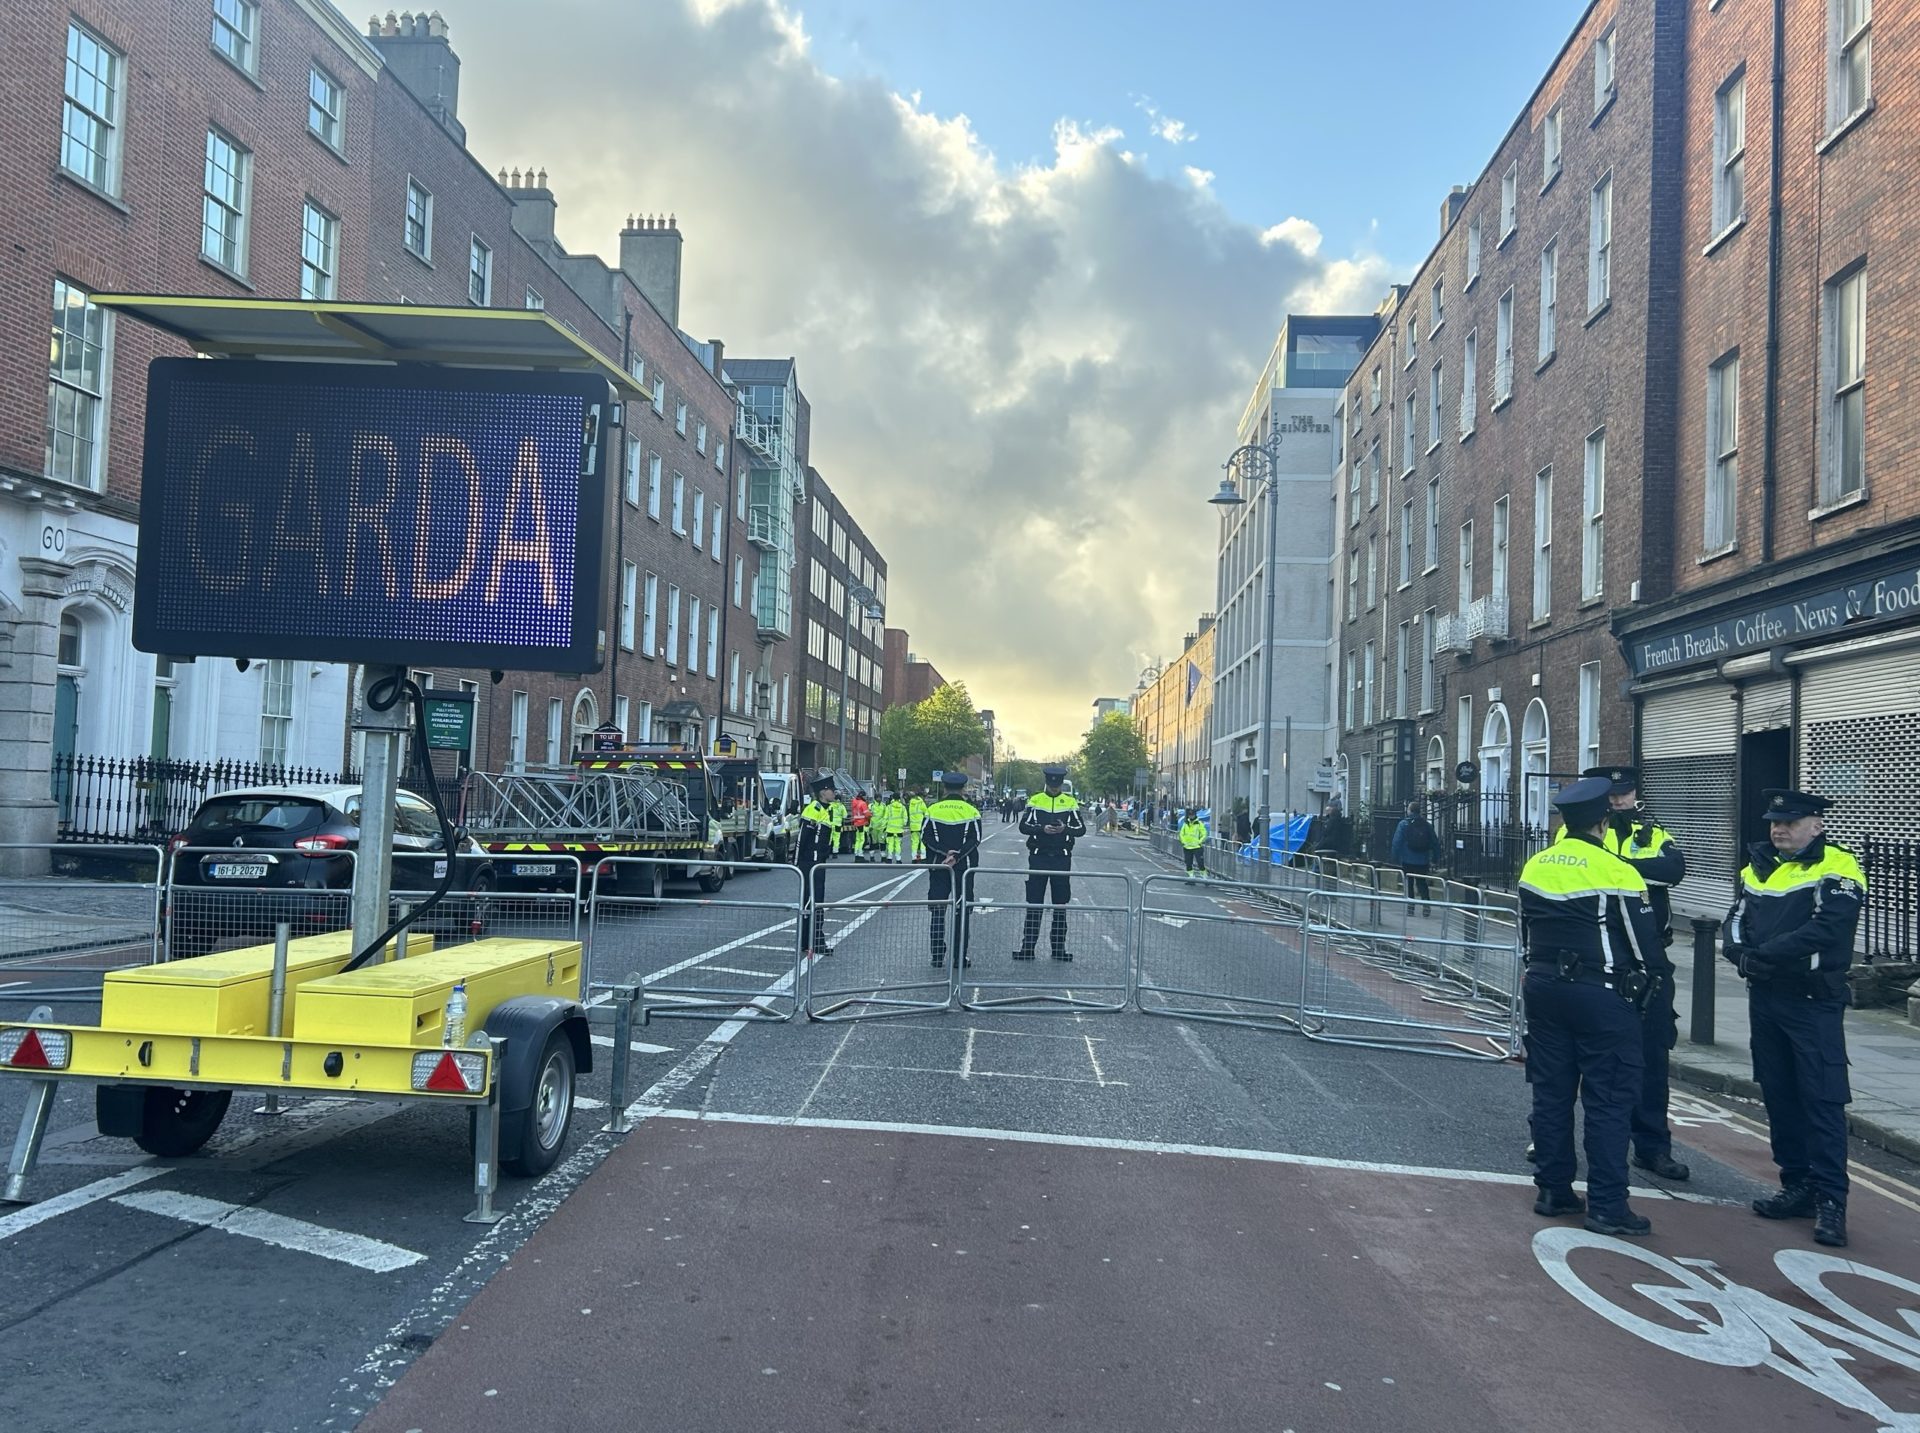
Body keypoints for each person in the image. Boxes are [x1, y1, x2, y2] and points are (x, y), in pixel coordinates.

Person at [1519, 775, 1663, 1238]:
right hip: (1600, 994)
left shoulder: (1536, 865)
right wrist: (1650, 983)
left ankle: (1553, 1189)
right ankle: (1606, 1205)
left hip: (1542, 987)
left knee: (1552, 1093)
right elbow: (1645, 949)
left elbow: (1526, 930)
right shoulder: (1617, 870)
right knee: (1608, 1099)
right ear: (1604, 820)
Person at [1724, 789, 1866, 1249]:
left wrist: (1764, 955)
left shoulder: (1838, 866)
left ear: (1817, 825)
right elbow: (1735, 920)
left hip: (1812, 1002)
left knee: (1821, 1099)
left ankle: (1831, 1200)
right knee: (1779, 1093)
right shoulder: (1757, 867)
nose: (1778, 829)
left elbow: (1829, 927)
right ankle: (1797, 1185)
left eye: (1790, 822)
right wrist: (1741, 955)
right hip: (1766, 997)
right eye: (1774, 822)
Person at [1581, 764, 1690, 1182]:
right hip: (1601, 954)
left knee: (1651, 1056)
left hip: (1650, 958)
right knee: (1586, 1055)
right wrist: (1632, 866)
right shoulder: (1577, 828)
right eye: (1611, 795)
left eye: (1623, 794)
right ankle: (1555, 1138)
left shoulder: (1654, 831)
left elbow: (1673, 871)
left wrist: (1616, 864)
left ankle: (1652, 1147)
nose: (1617, 801)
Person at [1014, 765, 1085, 961]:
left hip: (1062, 858)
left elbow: (1080, 829)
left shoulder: (1070, 802)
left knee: (1060, 905)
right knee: (1034, 903)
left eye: (1057, 784)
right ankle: (1027, 948)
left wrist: (1065, 829)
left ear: (1061, 783)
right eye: (1052, 784)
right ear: (1047, 782)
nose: (1054, 787)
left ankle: (1058, 949)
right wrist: (1041, 829)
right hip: (1039, 856)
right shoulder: (1035, 800)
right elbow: (1023, 826)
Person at [921, 771, 982, 967]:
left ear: (945, 788)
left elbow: (926, 837)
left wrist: (944, 854)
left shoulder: (933, 810)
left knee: (938, 911)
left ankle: (937, 956)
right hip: (964, 868)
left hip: (939, 866)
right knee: (961, 911)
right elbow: (976, 839)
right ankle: (959, 957)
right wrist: (957, 856)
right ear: (963, 789)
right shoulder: (971, 811)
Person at [796, 774, 838, 958]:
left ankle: (809, 941)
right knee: (812, 901)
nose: (834, 793)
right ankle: (813, 941)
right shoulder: (813, 810)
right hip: (810, 864)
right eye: (832, 790)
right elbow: (802, 838)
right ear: (823, 792)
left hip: (818, 863)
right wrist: (797, 864)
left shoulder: (827, 809)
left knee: (815, 901)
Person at [1391, 800, 1438, 908]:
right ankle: (1426, 905)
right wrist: (1435, 858)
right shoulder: (1427, 825)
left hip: (1407, 859)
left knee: (1409, 883)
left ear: (1410, 811)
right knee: (1422, 883)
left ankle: (1410, 907)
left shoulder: (1403, 824)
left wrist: (1395, 857)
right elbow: (1435, 842)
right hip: (1423, 859)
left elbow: (1396, 842)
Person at [1178, 807, 1208, 878]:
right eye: (1190, 815)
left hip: (1197, 847)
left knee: (1200, 863)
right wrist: (1183, 842)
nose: (1191, 816)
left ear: (1195, 815)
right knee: (1188, 863)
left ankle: (1205, 877)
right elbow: (1181, 834)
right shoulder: (1186, 824)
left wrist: (1200, 842)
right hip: (1187, 847)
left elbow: (1204, 834)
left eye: (1192, 815)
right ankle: (1191, 877)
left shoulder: (1199, 824)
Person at [880, 789, 908, 862]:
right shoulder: (902, 807)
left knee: (890, 844)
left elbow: (885, 818)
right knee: (898, 845)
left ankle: (889, 858)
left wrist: (883, 827)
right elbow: (905, 818)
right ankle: (898, 859)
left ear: (892, 798)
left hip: (890, 829)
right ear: (899, 798)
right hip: (899, 829)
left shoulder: (889, 807)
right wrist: (902, 824)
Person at [907, 786, 929, 862]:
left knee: (914, 842)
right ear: (921, 796)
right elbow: (926, 813)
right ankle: (923, 857)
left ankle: (914, 858)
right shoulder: (921, 803)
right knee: (922, 842)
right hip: (921, 826)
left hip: (913, 826)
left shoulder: (911, 803)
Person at [849, 791, 872, 862]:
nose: (866, 797)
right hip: (862, 823)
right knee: (862, 840)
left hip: (856, 823)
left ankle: (857, 855)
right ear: (863, 796)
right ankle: (860, 855)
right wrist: (871, 815)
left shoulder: (854, 803)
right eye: (865, 796)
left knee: (858, 840)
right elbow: (867, 814)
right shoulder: (863, 803)